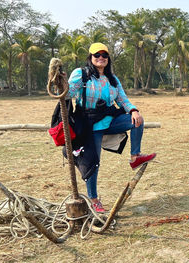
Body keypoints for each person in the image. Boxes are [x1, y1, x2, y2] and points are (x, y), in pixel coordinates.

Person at [68, 42, 156, 213]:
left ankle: (135, 156)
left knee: (137, 120)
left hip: (109, 121)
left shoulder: (113, 79)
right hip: (89, 126)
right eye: (97, 55)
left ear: (108, 58)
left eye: (104, 55)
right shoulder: (81, 74)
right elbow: (69, 93)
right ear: (90, 57)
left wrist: (133, 110)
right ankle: (94, 199)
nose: (101, 58)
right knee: (94, 163)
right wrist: (60, 82)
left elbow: (122, 99)